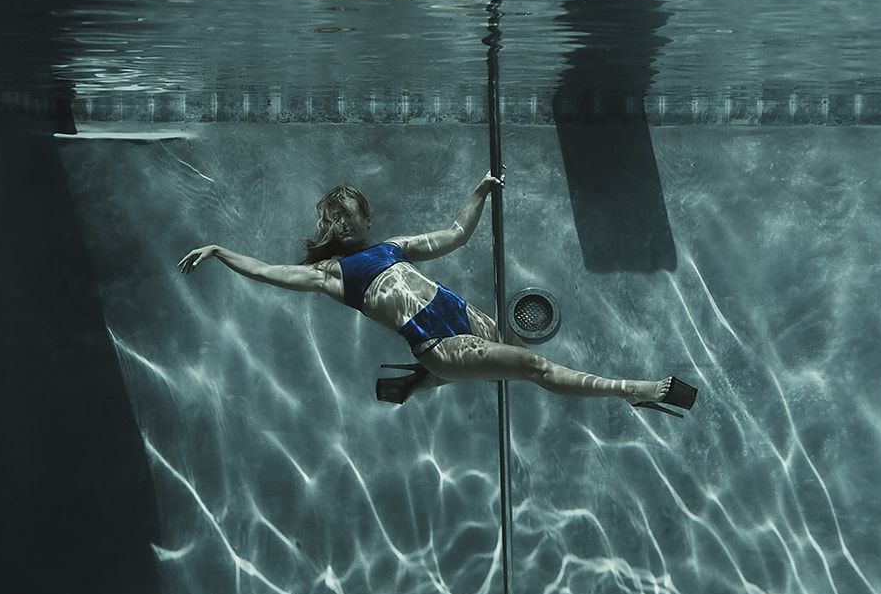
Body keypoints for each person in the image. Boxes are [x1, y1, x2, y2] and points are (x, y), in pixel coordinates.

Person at [177, 170, 698, 416]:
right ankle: (635, 388)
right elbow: (270, 271)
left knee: (502, 342)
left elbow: (455, 234)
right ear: (333, 227)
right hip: (440, 345)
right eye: (340, 218)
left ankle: (416, 386)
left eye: (353, 213)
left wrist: (478, 192)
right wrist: (222, 251)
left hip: (465, 320)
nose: (349, 221)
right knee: (534, 368)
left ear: (364, 216)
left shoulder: (392, 247)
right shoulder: (332, 274)